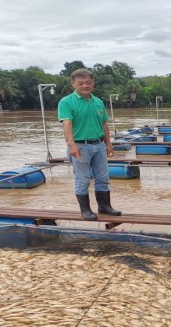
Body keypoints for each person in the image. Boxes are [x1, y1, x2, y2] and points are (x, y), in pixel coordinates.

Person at [58, 68, 121, 221]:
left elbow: (104, 124)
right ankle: (85, 210)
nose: (85, 86)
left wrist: (108, 145)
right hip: (81, 146)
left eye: (88, 82)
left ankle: (104, 206)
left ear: (93, 83)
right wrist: (71, 145)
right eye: (81, 83)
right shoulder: (66, 102)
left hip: (99, 145)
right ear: (73, 84)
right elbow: (67, 124)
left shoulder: (98, 102)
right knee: (83, 179)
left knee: (102, 177)